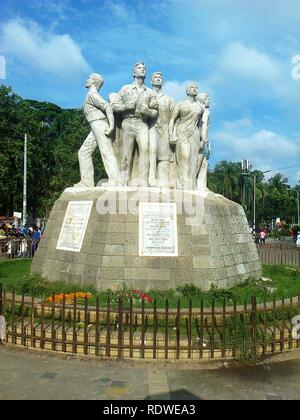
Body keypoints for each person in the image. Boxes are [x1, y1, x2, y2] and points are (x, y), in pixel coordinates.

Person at [111, 62, 159, 187]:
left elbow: (155, 112)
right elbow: (114, 106)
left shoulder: (149, 92)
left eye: (144, 68)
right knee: (126, 152)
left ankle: (143, 181)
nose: (142, 70)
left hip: (142, 123)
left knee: (145, 150)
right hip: (128, 122)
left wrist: (147, 111)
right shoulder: (125, 88)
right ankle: (124, 181)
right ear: (134, 72)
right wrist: (126, 106)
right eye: (139, 68)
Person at [74, 73, 121, 188]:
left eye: (89, 78)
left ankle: (115, 180)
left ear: (94, 81)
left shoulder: (92, 95)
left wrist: (111, 125)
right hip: (94, 126)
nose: (87, 80)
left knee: (106, 152)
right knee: (83, 153)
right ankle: (87, 182)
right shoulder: (90, 94)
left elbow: (107, 107)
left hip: (100, 124)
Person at [169, 83, 205, 189]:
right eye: (192, 88)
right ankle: (182, 182)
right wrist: (171, 134)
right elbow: (172, 120)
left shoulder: (200, 107)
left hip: (195, 133)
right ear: (187, 91)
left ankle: (192, 183)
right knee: (184, 156)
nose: (195, 89)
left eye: (196, 88)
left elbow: (201, 124)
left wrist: (202, 138)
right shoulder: (180, 104)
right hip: (182, 132)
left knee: (193, 159)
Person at [148, 72, 175, 187]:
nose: (158, 79)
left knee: (164, 157)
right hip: (150, 128)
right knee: (150, 152)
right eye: (156, 77)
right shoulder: (147, 96)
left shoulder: (169, 100)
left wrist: (172, 133)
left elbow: (175, 118)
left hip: (164, 130)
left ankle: (163, 181)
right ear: (151, 81)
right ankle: (150, 178)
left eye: (160, 78)